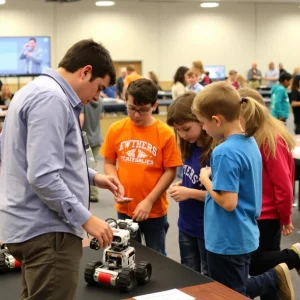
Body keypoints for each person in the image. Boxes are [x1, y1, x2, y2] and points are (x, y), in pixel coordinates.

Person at [0, 39, 123, 300]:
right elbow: (42, 176)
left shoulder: (31, 91)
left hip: (29, 225)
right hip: (48, 231)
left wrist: (93, 177)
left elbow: (27, 159)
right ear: (85, 71)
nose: (96, 98)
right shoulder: (52, 99)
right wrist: (87, 219)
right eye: (98, 88)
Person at [192, 82, 294, 299]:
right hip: (243, 234)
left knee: (229, 293)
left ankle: (273, 278)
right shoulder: (249, 143)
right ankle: (273, 277)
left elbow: (228, 202)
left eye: (203, 123)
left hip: (226, 239)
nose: (203, 129)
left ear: (216, 120)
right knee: (232, 287)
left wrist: (205, 180)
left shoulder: (224, 152)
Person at [100, 78, 182, 256]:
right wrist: (115, 184)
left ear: (154, 105)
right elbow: (108, 163)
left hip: (154, 210)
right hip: (125, 207)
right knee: (127, 253)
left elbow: (170, 171)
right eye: (131, 108)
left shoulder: (164, 133)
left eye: (143, 110)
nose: (136, 115)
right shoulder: (116, 129)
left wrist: (149, 201)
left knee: (157, 256)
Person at [239, 87, 300, 300]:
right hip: (258, 213)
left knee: (256, 263)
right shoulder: (256, 136)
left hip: (267, 214)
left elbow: (283, 183)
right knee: (267, 270)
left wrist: (285, 218)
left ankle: (294, 256)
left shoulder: (269, 138)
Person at [167, 92, 214, 276]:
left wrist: (189, 193)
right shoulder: (190, 146)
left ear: (201, 120)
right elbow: (195, 179)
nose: (182, 135)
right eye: (178, 130)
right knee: (188, 275)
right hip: (186, 225)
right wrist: (183, 183)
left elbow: (222, 196)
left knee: (208, 278)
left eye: (186, 128)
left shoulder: (215, 152)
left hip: (206, 229)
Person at [80, 98, 105, 202]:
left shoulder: (84, 102)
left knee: (85, 166)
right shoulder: (100, 101)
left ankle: (92, 193)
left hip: (86, 139)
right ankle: (92, 192)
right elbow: (101, 116)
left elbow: (81, 119)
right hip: (97, 137)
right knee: (93, 165)